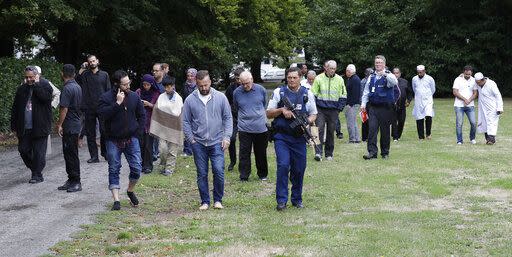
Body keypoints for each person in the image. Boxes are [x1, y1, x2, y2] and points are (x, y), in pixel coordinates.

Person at [267, 67, 317, 211]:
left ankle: (296, 199)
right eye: (289, 78)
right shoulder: (279, 92)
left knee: (299, 169)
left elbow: (314, 114)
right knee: (283, 165)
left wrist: (306, 122)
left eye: (295, 78)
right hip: (282, 137)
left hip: (299, 138)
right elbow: (269, 113)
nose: (292, 80)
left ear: (300, 78)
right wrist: (281, 110)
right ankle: (281, 200)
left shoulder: (307, 93)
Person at [182, 70, 232, 210]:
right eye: (200, 86)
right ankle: (205, 201)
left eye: (206, 85)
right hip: (198, 143)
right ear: (196, 84)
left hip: (217, 141)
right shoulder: (190, 100)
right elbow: (185, 121)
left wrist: (226, 137)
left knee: (218, 171)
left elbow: (228, 118)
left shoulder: (221, 97)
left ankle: (218, 200)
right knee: (202, 173)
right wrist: (191, 139)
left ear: (210, 82)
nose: (204, 88)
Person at [98, 70, 145, 211]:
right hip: (113, 140)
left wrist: (138, 133)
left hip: (131, 138)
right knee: (114, 168)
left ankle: (130, 190)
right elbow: (102, 115)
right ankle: (116, 200)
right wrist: (117, 104)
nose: (128, 86)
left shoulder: (134, 97)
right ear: (116, 84)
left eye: (128, 83)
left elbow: (142, 116)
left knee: (137, 168)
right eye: (124, 84)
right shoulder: (106, 98)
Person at [10, 66, 53, 183]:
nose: (28, 80)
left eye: (31, 77)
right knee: (23, 150)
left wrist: (37, 84)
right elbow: (15, 108)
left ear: (37, 76)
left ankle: (37, 175)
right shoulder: (22, 89)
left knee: (39, 153)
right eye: (26, 77)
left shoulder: (45, 85)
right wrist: (13, 125)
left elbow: (46, 98)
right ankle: (35, 168)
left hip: (40, 126)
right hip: (25, 127)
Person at [360, 55, 398, 160]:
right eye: (376, 63)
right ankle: (372, 152)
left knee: (385, 131)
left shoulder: (389, 75)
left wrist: (385, 74)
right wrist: (363, 104)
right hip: (373, 108)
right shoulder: (371, 77)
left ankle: (385, 153)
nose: (378, 64)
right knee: (372, 130)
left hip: (385, 108)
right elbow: (366, 92)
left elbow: (395, 82)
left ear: (384, 64)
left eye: (380, 63)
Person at [233, 71, 268, 181]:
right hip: (244, 128)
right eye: (242, 83)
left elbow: (264, 104)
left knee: (261, 152)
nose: (245, 86)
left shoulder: (261, 90)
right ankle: (244, 176)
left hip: (260, 128)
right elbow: (236, 107)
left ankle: (262, 174)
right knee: (244, 153)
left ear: (252, 79)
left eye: (247, 83)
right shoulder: (236, 93)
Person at [77, 54, 111, 163]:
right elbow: (77, 79)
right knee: (90, 133)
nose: (92, 63)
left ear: (97, 61)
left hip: (102, 107)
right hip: (88, 107)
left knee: (104, 131)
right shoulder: (85, 75)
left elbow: (108, 90)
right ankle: (94, 156)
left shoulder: (105, 75)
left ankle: (105, 153)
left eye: (93, 61)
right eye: (90, 61)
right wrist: (82, 67)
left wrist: (109, 105)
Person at [311, 60, 346, 161]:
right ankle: (318, 153)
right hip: (320, 109)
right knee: (319, 130)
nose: (332, 70)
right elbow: (313, 94)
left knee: (331, 131)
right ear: (326, 68)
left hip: (333, 110)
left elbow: (344, 95)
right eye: (331, 68)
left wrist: (339, 109)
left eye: (334, 69)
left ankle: (329, 154)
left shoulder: (340, 79)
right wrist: (314, 109)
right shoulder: (318, 78)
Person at [55, 64, 83, 192]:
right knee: (69, 153)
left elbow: (64, 108)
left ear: (62, 73)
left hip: (70, 125)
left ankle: (76, 181)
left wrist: (59, 124)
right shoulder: (77, 86)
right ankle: (71, 179)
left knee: (71, 154)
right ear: (74, 74)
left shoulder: (67, 89)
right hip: (76, 123)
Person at [150, 77, 184, 175]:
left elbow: (178, 112)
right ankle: (163, 165)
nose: (166, 89)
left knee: (172, 151)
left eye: (169, 86)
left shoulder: (178, 98)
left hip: (174, 128)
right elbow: (156, 110)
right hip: (162, 128)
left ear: (173, 86)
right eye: (165, 87)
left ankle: (169, 169)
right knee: (162, 150)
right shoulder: (161, 97)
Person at [135, 74, 160, 173]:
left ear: (152, 84)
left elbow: (159, 108)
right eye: (144, 84)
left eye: (148, 85)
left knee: (148, 146)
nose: (146, 87)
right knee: (140, 144)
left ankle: (148, 166)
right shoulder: (138, 92)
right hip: (140, 122)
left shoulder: (156, 93)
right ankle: (141, 164)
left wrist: (149, 104)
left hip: (151, 122)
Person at [474, 72, 503, 145]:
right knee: (485, 124)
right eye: (476, 82)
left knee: (491, 123)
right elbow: (468, 79)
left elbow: (498, 95)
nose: (477, 84)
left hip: (492, 107)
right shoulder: (477, 84)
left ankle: (491, 140)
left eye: (478, 82)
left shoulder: (491, 84)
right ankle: (488, 139)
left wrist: (500, 108)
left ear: (483, 80)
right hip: (483, 108)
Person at [224, 67, 244, 171]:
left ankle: (243, 163)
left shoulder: (248, 87)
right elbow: (226, 103)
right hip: (233, 117)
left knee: (244, 141)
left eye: (239, 78)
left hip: (245, 117)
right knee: (231, 139)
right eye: (236, 79)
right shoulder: (231, 88)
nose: (238, 81)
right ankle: (233, 161)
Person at [452, 65, 478, 145]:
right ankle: (459, 140)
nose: (467, 76)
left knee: (473, 123)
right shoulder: (458, 79)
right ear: (464, 72)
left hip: (470, 105)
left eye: (469, 74)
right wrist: (464, 99)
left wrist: (469, 100)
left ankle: (472, 138)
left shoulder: (474, 80)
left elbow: (475, 93)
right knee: (459, 123)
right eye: (466, 74)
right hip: (459, 105)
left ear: (471, 73)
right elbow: (455, 92)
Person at [412, 65, 436, 140]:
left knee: (428, 115)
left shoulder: (430, 78)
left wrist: (427, 96)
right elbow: (414, 89)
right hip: (418, 100)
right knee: (419, 117)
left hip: (428, 100)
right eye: (418, 72)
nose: (419, 74)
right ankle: (421, 136)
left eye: (421, 72)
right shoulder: (414, 79)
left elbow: (433, 89)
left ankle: (428, 134)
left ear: (424, 71)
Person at [391, 67, 413, 141]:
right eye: (394, 73)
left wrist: (409, 101)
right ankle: (395, 137)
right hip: (393, 106)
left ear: (400, 74)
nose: (396, 74)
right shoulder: (389, 82)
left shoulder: (405, 82)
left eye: (397, 73)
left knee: (401, 121)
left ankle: (398, 135)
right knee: (394, 122)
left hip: (402, 106)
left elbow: (410, 93)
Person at [181, 68, 198, 156]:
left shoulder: (198, 85)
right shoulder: (185, 85)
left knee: (195, 128)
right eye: (188, 76)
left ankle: (195, 147)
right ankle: (187, 149)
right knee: (187, 128)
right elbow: (183, 97)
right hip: (187, 108)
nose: (189, 77)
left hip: (196, 109)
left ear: (195, 76)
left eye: (192, 76)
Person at [344, 64, 362, 143]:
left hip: (352, 104)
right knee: (353, 121)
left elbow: (355, 93)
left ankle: (352, 139)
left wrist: (350, 104)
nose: (346, 72)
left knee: (350, 122)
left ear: (349, 71)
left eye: (347, 71)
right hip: (353, 103)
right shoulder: (353, 78)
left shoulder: (354, 79)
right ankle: (357, 138)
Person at [360, 68, 373, 142]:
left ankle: (368, 136)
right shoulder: (363, 81)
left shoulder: (371, 80)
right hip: (365, 103)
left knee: (370, 120)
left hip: (370, 103)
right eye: (369, 73)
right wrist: (362, 104)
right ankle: (365, 137)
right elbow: (362, 93)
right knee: (365, 120)